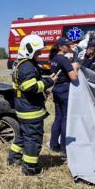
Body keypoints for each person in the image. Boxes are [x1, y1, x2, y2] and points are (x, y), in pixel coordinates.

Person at [7, 35, 58, 175]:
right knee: (33, 139)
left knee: (23, 135)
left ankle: (13, 158)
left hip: (22, 107)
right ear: (29, 49)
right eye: (37, 51)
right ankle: (29, 168)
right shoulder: (27, 66)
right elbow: (30, 88)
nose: (40, 54)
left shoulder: (20, 63)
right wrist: (49, 82)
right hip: (30, 110)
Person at [48, 37, 79, 156]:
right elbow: (74, 77)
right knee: (65, 119)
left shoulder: (54, 59)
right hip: (65, 90)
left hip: (56, 89)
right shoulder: (64, 59)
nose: (69, 47)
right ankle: (63, 149)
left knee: (58, 118)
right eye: (67, 45)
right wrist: (75, 67)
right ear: (61, 47)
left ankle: (53, 145)